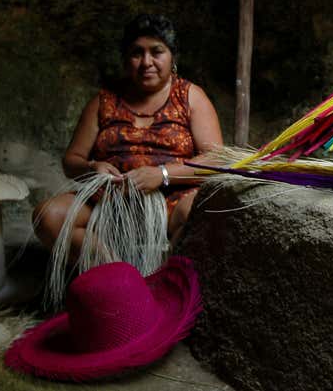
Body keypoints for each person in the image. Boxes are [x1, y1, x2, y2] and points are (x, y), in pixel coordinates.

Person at [33, 14, 223, 258]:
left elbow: (217, 161)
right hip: (111, 202)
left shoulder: (190, 96)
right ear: (125, 59)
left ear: (172, 56)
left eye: (157, 52)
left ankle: (166, 284)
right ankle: (114, 274)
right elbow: (71, 161)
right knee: (47, 216)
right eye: (136, 53)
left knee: (202, 215)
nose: (146, 62)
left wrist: (161, 175)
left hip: (173, 200)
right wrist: (93, 167)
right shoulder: (104, 101)